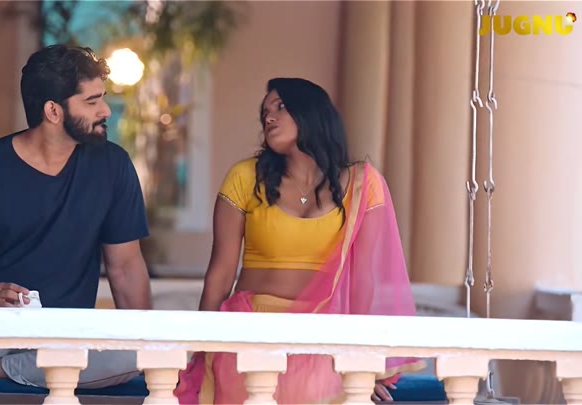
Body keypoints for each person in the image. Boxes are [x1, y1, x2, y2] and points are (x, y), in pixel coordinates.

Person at [0, 44, 152, 404]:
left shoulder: (113, 166)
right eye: (92, 101)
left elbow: (126, 266)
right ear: (53, 111)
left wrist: (149, 336)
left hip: (61, 331)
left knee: (134, 354)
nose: (105, 110)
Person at [174, 78, 426, 404]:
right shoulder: (245, 177)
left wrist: (357, 361)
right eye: (265, 111)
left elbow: (363, 280)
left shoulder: (362, 184)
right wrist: (201, 351)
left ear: (311, 113)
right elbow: (220, 275)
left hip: (323, 335)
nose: (268, 117)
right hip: (250, 330)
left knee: (319, 386)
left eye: (280, 107)